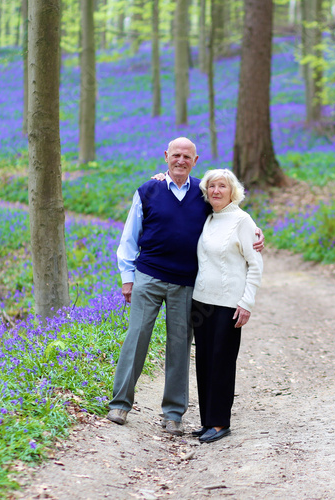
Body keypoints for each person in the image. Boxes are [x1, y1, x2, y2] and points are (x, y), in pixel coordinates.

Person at [107, 137, 263, 436]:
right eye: (175, 155)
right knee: (137, 336)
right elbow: (129, 237)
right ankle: (120, 403)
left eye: (187, 156)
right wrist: (127, 278)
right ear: (166, 156)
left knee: (179, 346)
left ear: (195, 160)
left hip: (186, 284)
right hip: (149, 277)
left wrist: (256, 231)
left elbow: (228, 214)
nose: (180, 160)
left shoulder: (202, 194)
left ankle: (173, 413)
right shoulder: (148, 190)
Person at [190, 169, 263, 443]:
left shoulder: (242, 221)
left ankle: (221, 423)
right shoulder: (209, 218)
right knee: (204, 362)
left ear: (233, 191)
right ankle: (207, 420)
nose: (216, 191)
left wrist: (246, 302)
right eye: (211, 187)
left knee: (222, 362)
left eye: (222, 186)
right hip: (201, 301)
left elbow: (255, 265)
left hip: (228, 304)